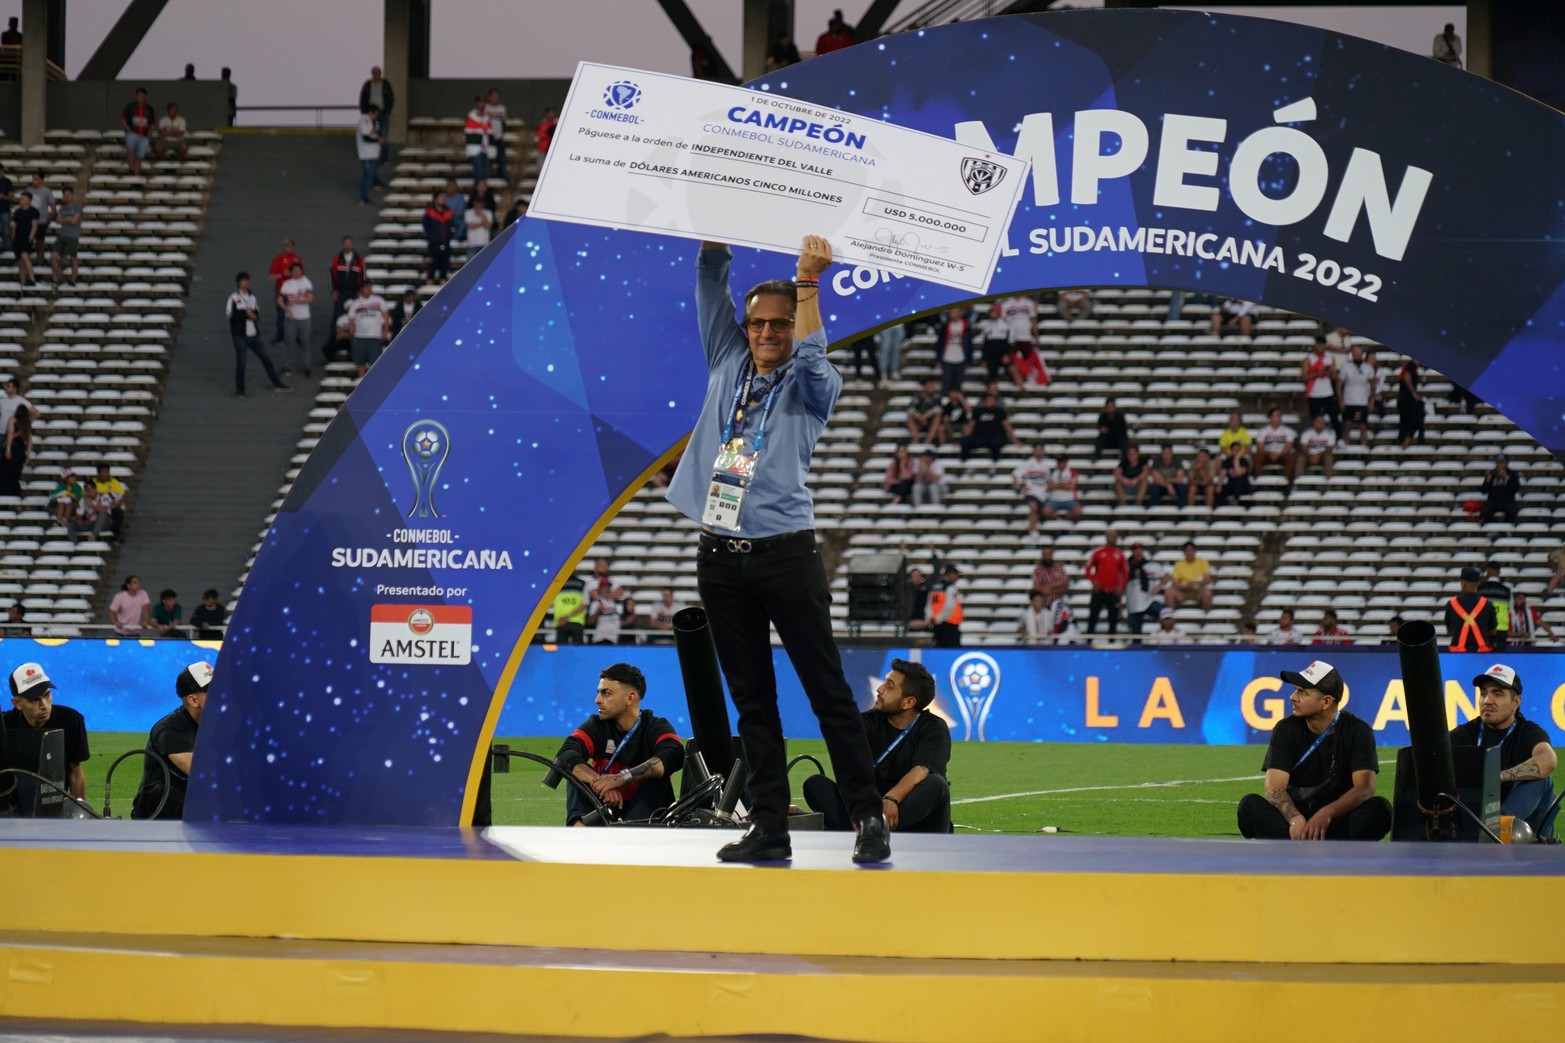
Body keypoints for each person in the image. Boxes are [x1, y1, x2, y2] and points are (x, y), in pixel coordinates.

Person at [665, 234, 888, 864]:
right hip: (720, 556)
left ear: (795, 327)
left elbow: (815, 357)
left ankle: (867, 817)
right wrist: (715, 233)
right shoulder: (726, 360)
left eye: (780, 325)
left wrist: (809, 281)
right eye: (758, 323)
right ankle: (769, 827)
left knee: (827, 692)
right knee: (752, 703)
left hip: (786, 555)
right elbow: (711, 278)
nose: (767, 333)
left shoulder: (815, 383)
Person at [1236, 660, 1392, 840]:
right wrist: (1295, 820)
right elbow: (1274, 788)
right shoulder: (1285, 729)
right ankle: (1327, 847)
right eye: (1295, 690)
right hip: (1294, 818)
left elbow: (1364, 789)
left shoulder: (1357, 731)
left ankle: (1292, 849)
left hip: (1336, 817)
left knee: (1380, 808)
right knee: (1249, 805)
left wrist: (1327, 813)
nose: (1293, 697)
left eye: (1302, 692)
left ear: (1326, 702)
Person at [803, 660, 952, 834]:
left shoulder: (933, 727)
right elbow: (851, 771)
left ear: (908, 702)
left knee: (937, 785)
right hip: (869, 807)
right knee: (816, 784)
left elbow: (921, 770)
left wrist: (892, 798)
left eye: (889, 686)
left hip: (912, 817)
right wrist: (859, 807)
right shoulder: (865, 723)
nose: (879, 689)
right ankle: (870, 828)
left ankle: (870, 830)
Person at [553, 664, 685, 826]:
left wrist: (622, 778)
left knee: (657, 776)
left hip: (648, 815)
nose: (597, 700)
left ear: (630, 698)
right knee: (575, 771)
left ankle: (633, 832)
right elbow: (565, 754)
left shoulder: (655, 727)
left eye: (606, 694)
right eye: (599, 693)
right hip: (607, 807)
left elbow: (675, 754)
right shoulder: (597, 726)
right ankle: (579, 832)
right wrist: (600, 782)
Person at [1450, 664, 1556, 838]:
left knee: (1542, 779)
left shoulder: (1528, 732)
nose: (1487, 701)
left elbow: (1548, 760)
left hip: (1527, 829)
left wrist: (1499, 777)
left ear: (1516, 702)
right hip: (1474, 819)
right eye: (1483, 693)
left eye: (1497, 694)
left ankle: (1496, 828)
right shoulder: (1466, 733)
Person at [132, 661, 213, 819]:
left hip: (192, 802)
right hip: (160, 808)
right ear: (193, 701)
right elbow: (202, 772)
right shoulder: (170, 729)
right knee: (160, 793)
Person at [5, 663, 90, 800]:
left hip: (54, 804)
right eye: (35, 700)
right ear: (17, 703)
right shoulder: (4, 726)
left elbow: (75, 771)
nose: (44, 705)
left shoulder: (71, 720)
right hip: (12, 807)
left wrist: (81, 814)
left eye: (47, 695)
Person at [226, 272, 292, 397]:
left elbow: (256, 313)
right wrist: (246, 315)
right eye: (244, 281)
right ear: (238, 283)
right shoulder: (233, 298)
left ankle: (276, 383)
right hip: (240, 335)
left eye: (247, 281)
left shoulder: (252, 297)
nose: (246, 283)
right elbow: (230, 315)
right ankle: (240, 390)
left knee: (266, 358)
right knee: (242, 362)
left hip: (253, 334)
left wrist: (254, 316)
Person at [326, 236, 366, 357]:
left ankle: (356, 345)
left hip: (355, 294)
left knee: (355, 317)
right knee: (336, 318)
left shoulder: (359, 260)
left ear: (352, 245)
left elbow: (364, 277)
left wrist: (361, 291)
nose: (347, 246)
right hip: (341, 293)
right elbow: (330, 276)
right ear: (343, 245)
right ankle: (332, 344)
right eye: (346, 244)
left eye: (349, 244)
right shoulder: (336, 259)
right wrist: (332, 291)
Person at [1084, 529, 1128, 635]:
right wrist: (1093, 580)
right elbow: (1088, 568)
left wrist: (1120, 586)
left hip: (1113, 592)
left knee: (1113, 619)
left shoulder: (1120, 555)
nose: (1113, 538)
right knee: (1093, 617)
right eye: (1111, 536)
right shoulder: (1098, 553)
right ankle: (1088, 642)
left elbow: (1125, 572)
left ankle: (1112, 642)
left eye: (1115, 536)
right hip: (1099, 591)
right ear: (1106, 537)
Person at [345, 280, 390, 379]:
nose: (369, 289)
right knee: (360, 363)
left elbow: (386, 316)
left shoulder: (379, 301)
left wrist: (385, 331)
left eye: (370, 287)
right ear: (361, 289)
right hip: (359, 337)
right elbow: (351, 318)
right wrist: (352, 331)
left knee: (375, 364)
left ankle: (374, 384)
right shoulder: (356, 303)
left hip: (374, 336)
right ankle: (361, 383)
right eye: (366, 287)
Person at [1445, 565, 1497, 653]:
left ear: (1463, 583)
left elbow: (1449, 630)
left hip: (1458, 654)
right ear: (1478, 583)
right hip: (1481, 654)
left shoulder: (1452, 603)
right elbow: (1493, 631)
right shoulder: (1487, 604)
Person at [1123, 541, 1170, 636]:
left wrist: (1158, 587)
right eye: (1135, 550)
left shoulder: (1151, 565)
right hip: (1133, 604)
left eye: (1140, 550)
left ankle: (1165, 635)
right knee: (1136, 634)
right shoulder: (1126, 566)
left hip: (1148, 600)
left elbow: (1166, 576)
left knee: (1165, 614)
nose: (1138, 552)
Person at [959, 390, 1018, 465]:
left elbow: (1007, 426)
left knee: (997, 442)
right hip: (980, 437)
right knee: (965, 441)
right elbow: (971, 425)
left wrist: (1014, 440)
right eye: (989, 400)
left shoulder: (1000, 412)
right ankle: (965, 462)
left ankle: (995, 463)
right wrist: (965, 436)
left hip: (994, 438)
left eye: (993, 400)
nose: (991, 402)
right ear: (984, 402)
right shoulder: (978, 412)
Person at [276, 261, 314, 378]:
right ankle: (286, 366)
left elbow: (310, 299)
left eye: (299, 269)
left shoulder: (306, 282)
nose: (297, 272)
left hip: (304, 317)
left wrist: (297, 301)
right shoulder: (287, 284)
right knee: (289, 341)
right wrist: (287, 310)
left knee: (305, 342)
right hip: (291, 318)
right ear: (291, 272)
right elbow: (279, 300)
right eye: (294, 270)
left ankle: (307, 366)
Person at [266, 238, 303, 343]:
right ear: (284, 247)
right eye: (287, 246)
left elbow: (303, 274)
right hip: (281, 291)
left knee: (296, 313)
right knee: (281, 315)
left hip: (295, 291)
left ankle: (297, 337)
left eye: (291, 246)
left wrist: (294, 275)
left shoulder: (297, 259)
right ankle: (280, 337)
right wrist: (283, 274)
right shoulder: (278, 258)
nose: (289, 248)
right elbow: (272, 274)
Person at [1337, 345, 1375, 445]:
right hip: (1348, 401)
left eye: (1359, 354)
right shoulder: (1345, 367)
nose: (1357, 356)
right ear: (1352, 355)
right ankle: (1346, 449)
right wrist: (1340, 400)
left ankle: (1363, 450)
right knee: (1347, 425)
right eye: (1355, 354)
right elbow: (1339, 385)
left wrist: (1372, 400)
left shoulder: (1368, 368)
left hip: (1362, 401)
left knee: (1363, 426)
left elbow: (1372, 385)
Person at [1012, 444, 1051, 536]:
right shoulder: (1028, 464)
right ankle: (1032, 530)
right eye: (1037, 450)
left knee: (1046, 511)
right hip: (1030, 492)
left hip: (1042, 493)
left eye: (1040, 450)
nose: (1039, 452)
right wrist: (1019, 486)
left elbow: (1048, 480)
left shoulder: (1046, 467)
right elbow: (1015, 474)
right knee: (1033, 507)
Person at [359, 66, 394, 165]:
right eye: (375, 74)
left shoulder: (385, 84)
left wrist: (388, 110)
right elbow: (363, 98)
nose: (377, 76)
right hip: (370, 114)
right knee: (371, 134)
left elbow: (391, 98)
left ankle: (384, 158)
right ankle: (373, 157)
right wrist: (364, 112)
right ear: (372, 74)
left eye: (378, 73)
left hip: (382, 112)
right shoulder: (367, 85)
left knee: (383, 135)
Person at [934, 306, 972, 394]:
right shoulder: (946, 326)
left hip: (961, 358)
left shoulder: (966, 325)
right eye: (952, 312)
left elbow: (969, 345)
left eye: (956, 312)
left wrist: (969, 361)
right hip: (947, 358)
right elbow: (940, 343)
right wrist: (938, 359)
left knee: (958, 384)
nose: (954, 314)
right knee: (946, 383)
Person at [1477, 562, 1514, 650]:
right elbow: (1510, 609)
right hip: (1501, 629)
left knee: (1483, 657)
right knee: (1499, 657)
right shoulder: (1507, 590)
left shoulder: (1480, 589)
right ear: (1499, 572)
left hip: (1484, 627)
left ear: (1488, 572)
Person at [1167, 542, 1214, 612]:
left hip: (1198, 590)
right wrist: (1185, 586)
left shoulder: (1202, 562)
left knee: (1207, 593)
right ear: (1184, 552)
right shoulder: (1179, 564)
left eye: (1191, 550)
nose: (1189, 553)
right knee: (1169, 592)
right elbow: (1175, 582)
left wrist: (1196, 584)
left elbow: (1208, 579)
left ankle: (1206, 618)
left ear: (1195, 551)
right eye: (1187, 550)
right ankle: (1169, 618)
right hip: (1183, 591)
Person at [50, 185, 81, 285]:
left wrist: (65, 219)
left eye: (68, 194)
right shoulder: (62, 208)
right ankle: (56, 278)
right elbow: (58, 220)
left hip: (73, 236)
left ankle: (73, 278)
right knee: (54, 256)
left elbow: (74, 221)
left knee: (73, 258)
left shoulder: (77, 206)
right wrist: (68, 219)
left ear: (72, 195)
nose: (66, 197)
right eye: (64, 195)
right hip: (62, 235)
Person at [1, 396, 32, 497]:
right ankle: (16, 496)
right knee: (15, 476)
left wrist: (8, 449)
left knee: (5, 474)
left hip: (13, 449)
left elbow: (10, 434)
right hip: (20, 451)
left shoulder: (13, 420)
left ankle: (7, 495)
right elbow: (30, 441)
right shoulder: (26, 424)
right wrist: (27, 455)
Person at [1253, 408, 1296, 480]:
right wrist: (1270, 453)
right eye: (1277, 416)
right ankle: (1258, 481)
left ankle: (1286, 482)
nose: (1279, 418)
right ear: (1270, 418)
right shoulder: (1263, 431)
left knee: (1291, 458)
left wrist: (1279, 454)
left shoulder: (1288, 431)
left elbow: (1288, 447)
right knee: (1258, 457)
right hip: (1267, 455)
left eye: (1280, 416)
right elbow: (1260, 447)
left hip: (1282, 455)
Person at [927, 563, 963, 648]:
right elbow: (949, 606)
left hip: (936, 624)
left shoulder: (935, 586)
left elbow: (929, 605)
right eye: (956, 574)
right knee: (952, 652)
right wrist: (939, 619)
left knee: (940, 648)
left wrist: (932, 618)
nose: (957, 577)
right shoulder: (950, 587)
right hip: (949, 624)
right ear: (950, 574)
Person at [119, 87, 154, 176]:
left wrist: (150, 133)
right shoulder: (130, 106)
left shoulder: (149, 109)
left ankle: (136, 175)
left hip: (144, 135)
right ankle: (131, 169)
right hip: (132, 133)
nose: (139, 97)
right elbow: (122, 118)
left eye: (141, 95)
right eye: (138, 95)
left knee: (139, 156)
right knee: (131, 151)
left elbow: (153, 122)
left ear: (145, 96)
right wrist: (128, 129)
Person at [422, 190, 454, 284]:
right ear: (435, 199)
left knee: (444, 271)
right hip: (433, 246)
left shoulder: (448, 212)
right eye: (441, 197)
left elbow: (451, 225)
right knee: (431, 271)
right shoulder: (430, 212)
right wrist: (431, 237)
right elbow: (426, 226)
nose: (443, 199)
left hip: (446, 244)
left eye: (444, 198)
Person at [1479, 453, 1521, 524]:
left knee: (1513, 513)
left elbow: (1516, 488)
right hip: (1493, 501)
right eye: (1498, 462)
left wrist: (1507, 477)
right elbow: (1483, 491)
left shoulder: (1512, 473)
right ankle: (1496, 526)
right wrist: (1488, 480)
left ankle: (1505, 529)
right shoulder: (1491, 473)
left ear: (1507, 464)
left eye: (1502, 462)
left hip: (1508, 501)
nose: (1499, 464)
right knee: (1484, 513)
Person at [356, 104, 383, 205]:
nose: (376, 117)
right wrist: (377, 140)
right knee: (367, 175)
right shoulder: (364, 121)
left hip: (371, 153)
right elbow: (365, 137)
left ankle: (368, 192)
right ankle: (363, 197)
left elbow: (370, 133)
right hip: (366, 153)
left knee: (370, 174)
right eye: (376, 114)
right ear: (371, 112)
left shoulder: (369, 122)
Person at [1296, 414, 1337, 479]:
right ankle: (1297, 482)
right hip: (1309, 455)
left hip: (1323, 455)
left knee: (1328, 458)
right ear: (1314, 422)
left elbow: (1329, 448)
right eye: (1319, 422)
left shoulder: (1330, 433)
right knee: (1301, 458)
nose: (1321, 424)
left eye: (1322, 422)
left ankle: (1329, 483)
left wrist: (1318, 455)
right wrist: (1310, 455)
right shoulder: (1307, 432)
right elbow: (1303, 446)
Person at [10, 188, 37, 286]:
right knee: (21, 262)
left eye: (23, 198)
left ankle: (32, 278)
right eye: (20, 198)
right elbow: (14, 226)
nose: (21, 200)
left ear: (28, 200)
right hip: (17, 238)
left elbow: (34, 225)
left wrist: (31, 237)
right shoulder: (17, 212)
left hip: (26, 238)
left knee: (25, 256)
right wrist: (12, 238)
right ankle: (23, 282)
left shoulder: (33, 211)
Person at [1397, 358, 1424, 448]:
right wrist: (1413, 393)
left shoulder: (1412, 367)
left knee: (1408, 422)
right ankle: (1405, 443)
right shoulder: (1411, 365)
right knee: (1412, 422)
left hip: (1405, 399)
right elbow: (1407, 378)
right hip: (1406, 399)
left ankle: (1405, 442)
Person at [463, 96, 492, 182]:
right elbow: (469, 132)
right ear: (476, 103)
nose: (482, 104)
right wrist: (482, 130)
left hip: (485, 149)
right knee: (478, 174)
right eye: (480, 102)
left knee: (486, 173)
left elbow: (490, 131)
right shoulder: (471, 116)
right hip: (475, 148)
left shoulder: (487, 117)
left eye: (483, 102)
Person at [906, 377, 941, 443]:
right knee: (910, 417)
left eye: (932, 385)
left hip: (930, 422)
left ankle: (928, 440)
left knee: (938, 416)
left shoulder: (936, 395)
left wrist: (926, 415)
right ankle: (916, 439)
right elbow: (910, 408)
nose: (932, 387)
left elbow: (939, 408)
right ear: (924, 386)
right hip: (919, 422)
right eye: (929, 385)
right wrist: (919, 416)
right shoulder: (918, 395)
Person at [485, 88, 509, 183]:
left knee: (501, 158)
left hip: (499, 137)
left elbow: (503, 123)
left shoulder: (502, 108)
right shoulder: (485, 108)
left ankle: (503, 177)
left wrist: (503, 135)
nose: (495, 98)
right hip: (488, 138)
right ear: (489, 97)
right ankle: (488, 178)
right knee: (488, 159)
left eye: (497, 96)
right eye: (493, 96)